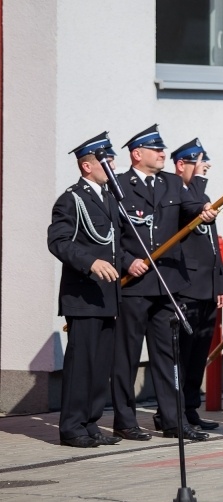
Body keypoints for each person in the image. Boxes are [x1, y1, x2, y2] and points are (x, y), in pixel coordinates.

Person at [111, 124, 217, 442]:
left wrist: (202, 211)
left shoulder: (171, 182)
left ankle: (173, 420)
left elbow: (190, 210)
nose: (162, 153)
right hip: (134, 284)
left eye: (162, 149)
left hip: (167, 283)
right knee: (127, 356)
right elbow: (111, 236)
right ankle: (125, 420)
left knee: (167, 356)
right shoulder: (119, 186)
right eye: (155, 149)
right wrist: (126, 261)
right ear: (136, 154)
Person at [48, 132, 124, 448]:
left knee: (100, 364)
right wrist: (90, 261)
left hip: (107, 295)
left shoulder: (108, 197)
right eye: (106, 161)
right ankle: (72, 427)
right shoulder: (72, 198)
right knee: (81, 364)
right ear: (86, 166)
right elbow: (58, 241)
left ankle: (90, 422)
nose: (112, 166)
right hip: (83, 295)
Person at [173, 139, 223, 430]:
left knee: (198, 356)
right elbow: (190, 209)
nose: (205, 169)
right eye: (199, 163)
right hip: (186, 286)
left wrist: (220, 284)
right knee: (182, 354)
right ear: (182, 165)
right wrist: (199, 181)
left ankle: (190, 408)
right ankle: (174, 412)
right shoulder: (177, 192)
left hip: (207, 287)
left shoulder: (198, 196)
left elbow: (212, 245)